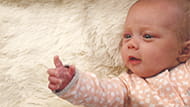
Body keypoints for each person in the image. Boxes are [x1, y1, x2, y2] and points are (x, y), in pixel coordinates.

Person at [47, 0, 190, 106]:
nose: (131, 44)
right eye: (127, 36)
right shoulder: (126, 87)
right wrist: (73, 82)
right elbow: (100, 93)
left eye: (147, 36)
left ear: (184, 50)